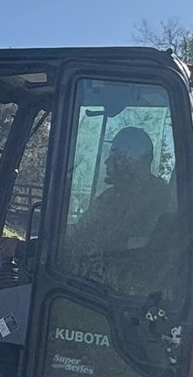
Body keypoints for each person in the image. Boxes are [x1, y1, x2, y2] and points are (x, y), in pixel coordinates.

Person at [65, 124, 182, 293]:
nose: (106, 162)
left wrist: (28, 249)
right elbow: (80, 232)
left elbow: (82, 237)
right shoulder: (114, 195)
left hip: (115, 290)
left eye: (113, 155)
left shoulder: (157, 201)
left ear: (129, 159)